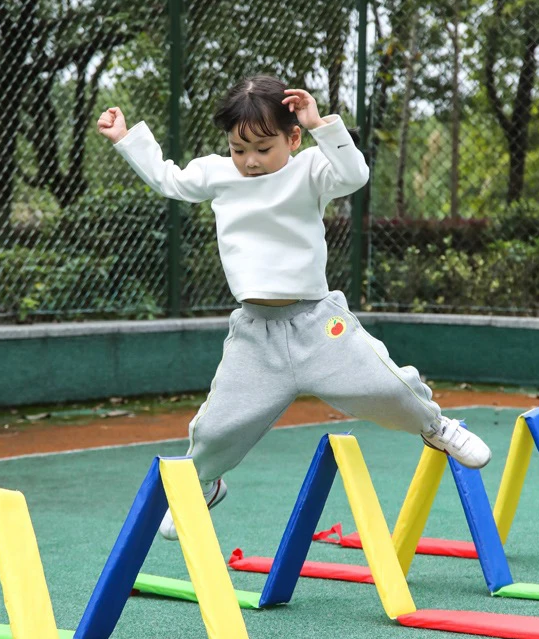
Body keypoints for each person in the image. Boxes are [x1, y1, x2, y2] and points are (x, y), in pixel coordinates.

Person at [97, 74, 491, 540]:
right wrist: (127, 139)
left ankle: (434, 426)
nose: (250, 161)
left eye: (263, 148)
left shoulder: (311, 169)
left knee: (386, 386)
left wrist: (322, 123)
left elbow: (354, 175)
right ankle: (205, 483)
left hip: (317, 325)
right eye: (239, 150)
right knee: (216, 428)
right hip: (256, 333)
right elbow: (169, 180)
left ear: (293, 137)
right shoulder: (217, 173)